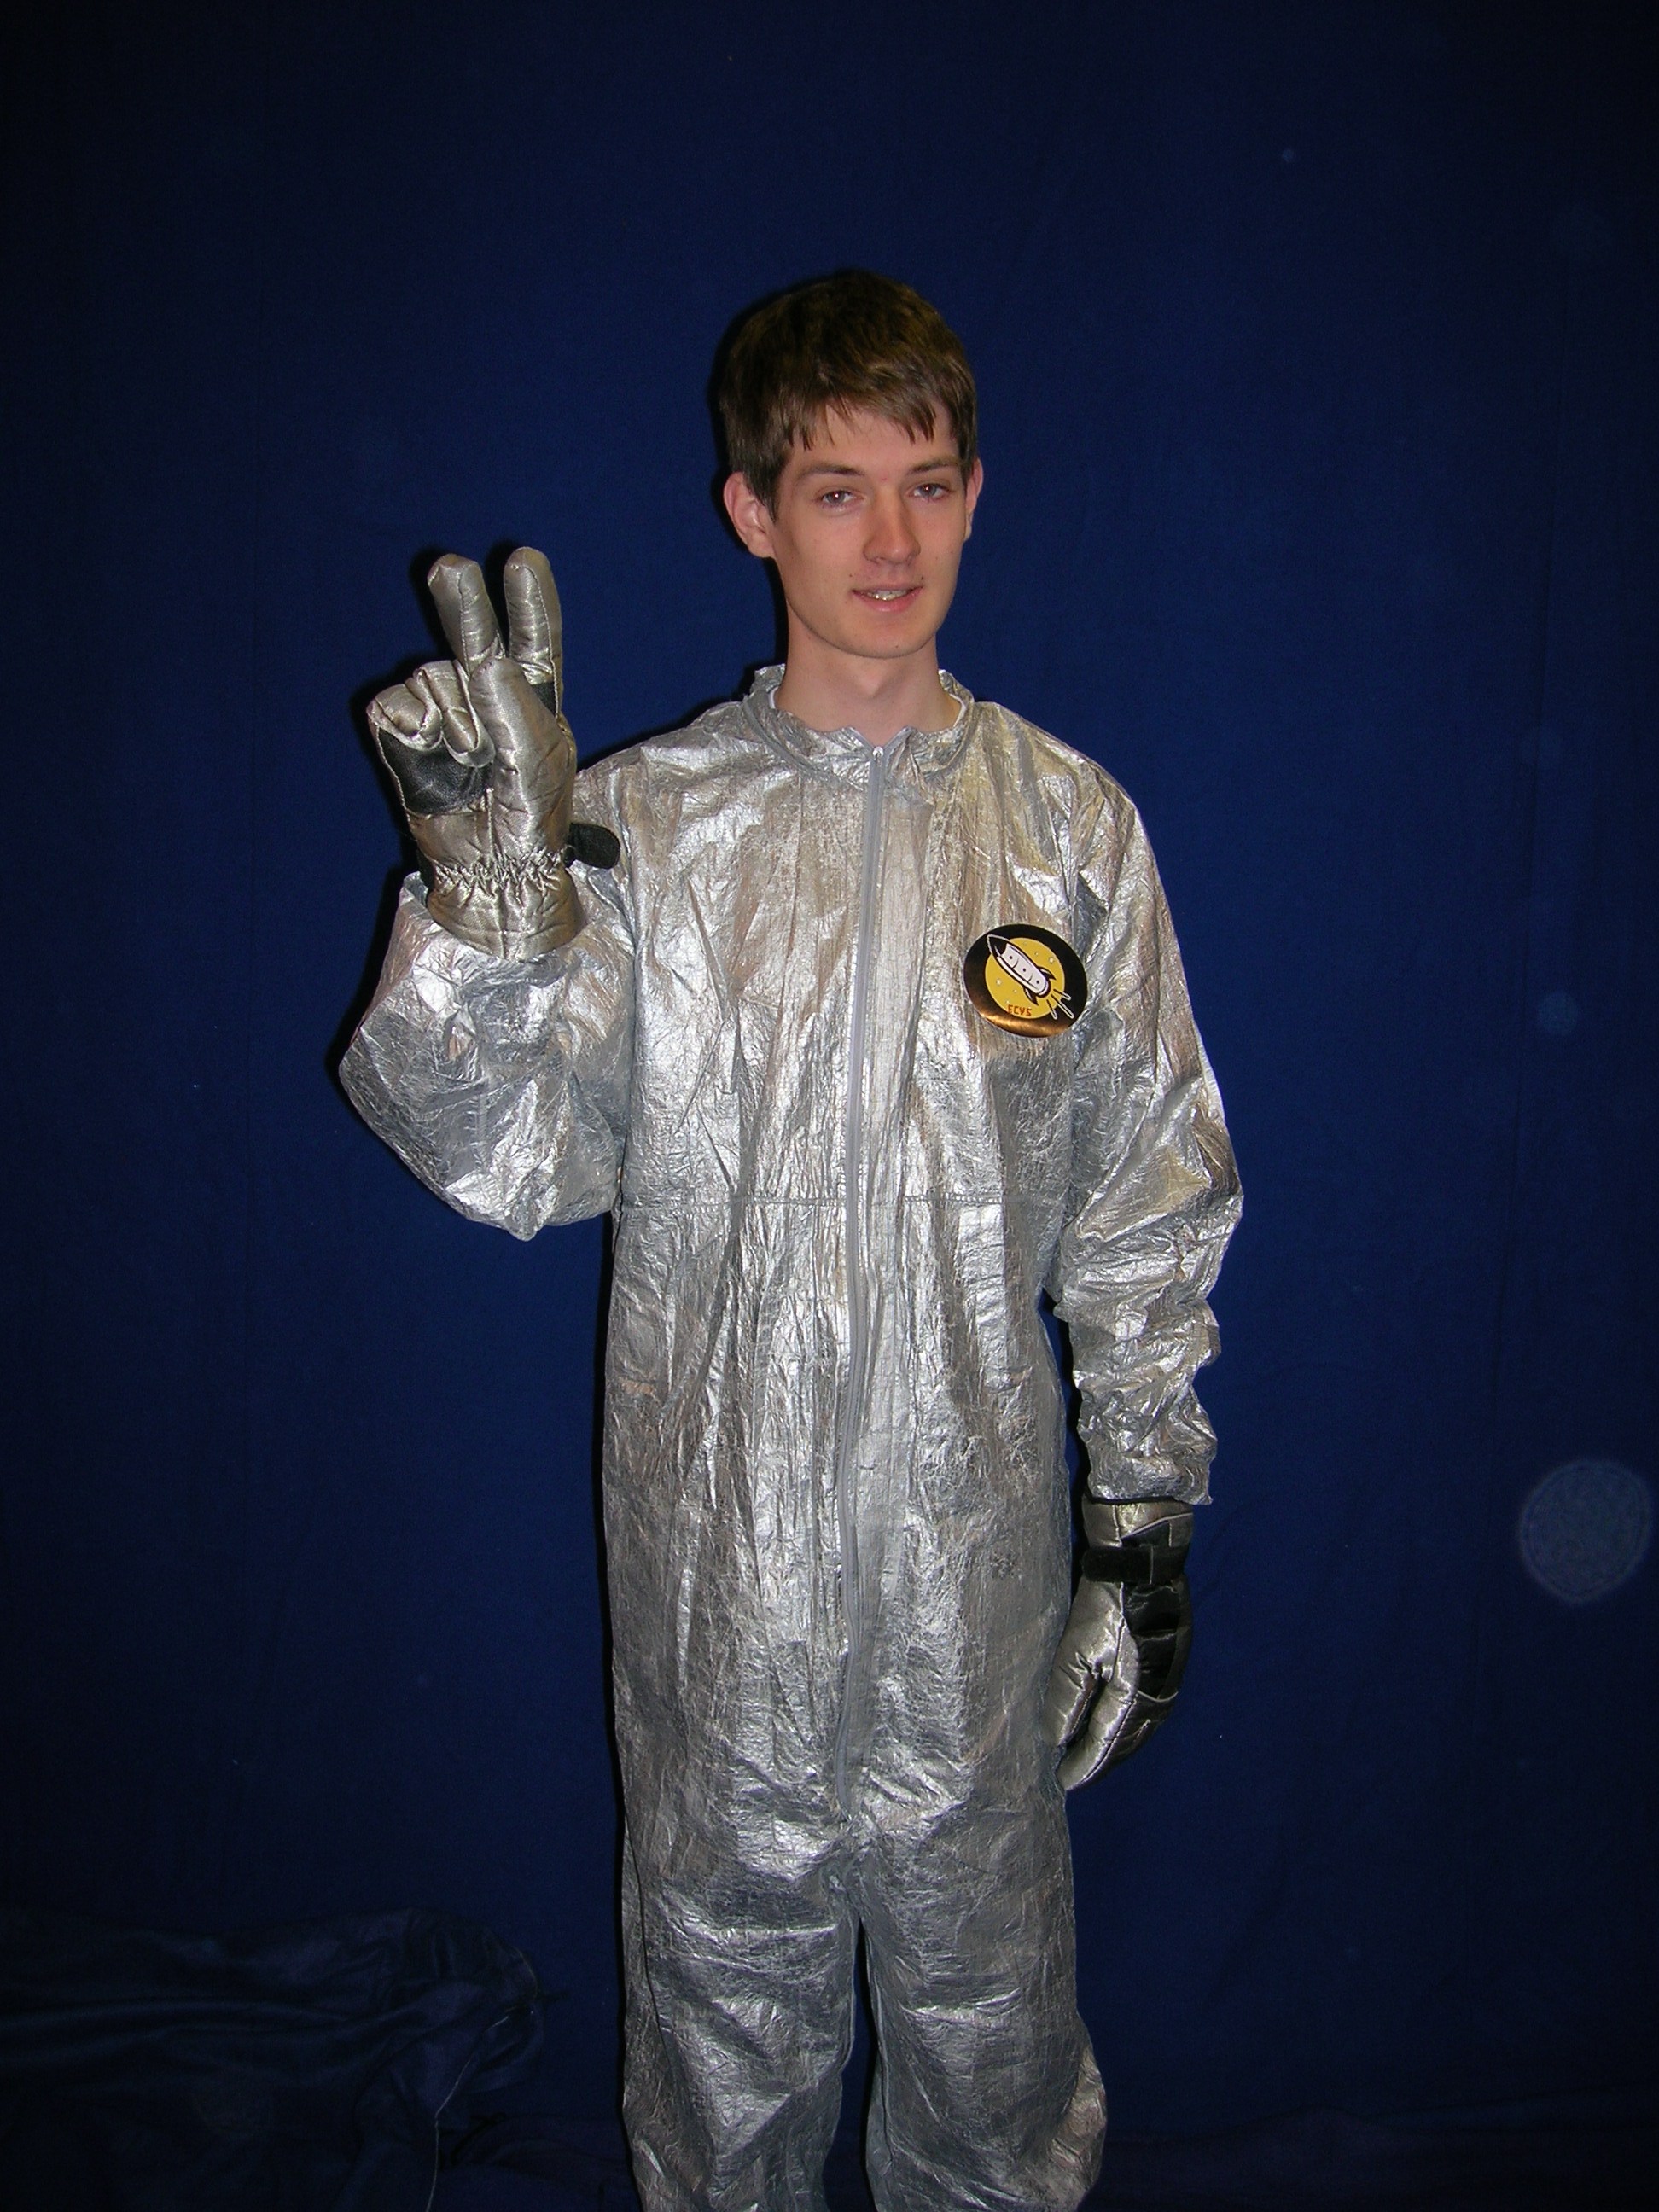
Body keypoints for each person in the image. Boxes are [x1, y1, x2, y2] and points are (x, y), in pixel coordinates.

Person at [341, 271, 1240, 2212]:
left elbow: (1148, 1198)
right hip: (715, 1585)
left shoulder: (1068, 832)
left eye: (927, 483)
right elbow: (497, 1153)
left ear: (978, 492)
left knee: (993, 2049)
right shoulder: (641, 832)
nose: (889, 539)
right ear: (753, 510)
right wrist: (494, 907)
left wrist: (1139, 1525)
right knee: (719, 2049)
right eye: (837, 489)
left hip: (971, 1584)